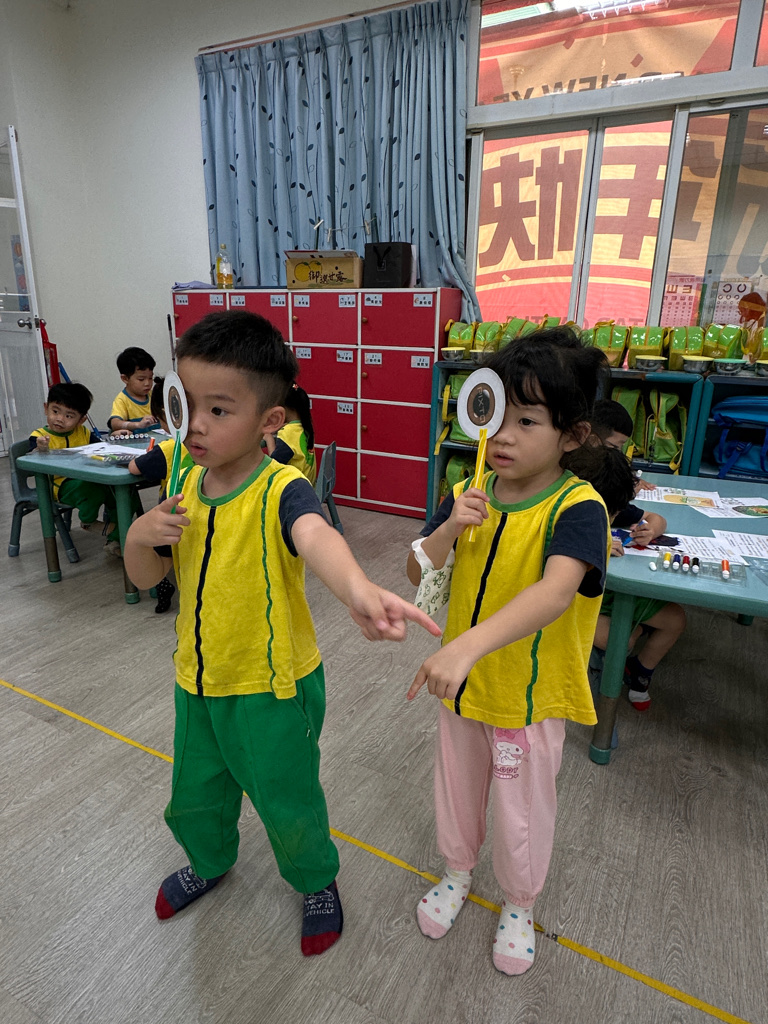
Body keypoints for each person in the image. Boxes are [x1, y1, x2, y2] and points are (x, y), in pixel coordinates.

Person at [124, 310, 441, 957]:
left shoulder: (281, 488)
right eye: (188, 403)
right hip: (197, 680)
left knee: (286, 798)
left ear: (270, 420)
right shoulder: (183, 480)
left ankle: (316, 879)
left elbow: (316, 534)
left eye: (219, 410)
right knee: (195, 793)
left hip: (272, 686)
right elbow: (149, 575)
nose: (197, 424)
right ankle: (210, 861)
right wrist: (137, 536)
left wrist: (357, 588)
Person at [405, 327, 611, 976]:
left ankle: (520, 903)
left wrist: (465, 646)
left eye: (527, 421)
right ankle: (457, 871)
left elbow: (556, 593)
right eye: (496, 415)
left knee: (522, 810)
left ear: (572, 436)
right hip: (462, 689)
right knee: (456, 789)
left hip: (526, 697)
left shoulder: (579, 507)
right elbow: (419, 573)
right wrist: (448, 528)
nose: (504, 436)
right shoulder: (472, 490)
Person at [589, 399, 686, 711]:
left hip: (610, 592)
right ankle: (632, 635)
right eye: (615, 446)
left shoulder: (609, 489)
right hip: (579, 598)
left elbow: (654, 517)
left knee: (675, 619)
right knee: (623, 639)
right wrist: (594, 545)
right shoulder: (576, 497)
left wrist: (650, 529)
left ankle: (639, 672)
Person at [30, 382, 121, 554]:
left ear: (81, 420)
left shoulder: (84, 432)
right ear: (46, 408)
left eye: (69, 416)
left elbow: (101, 448)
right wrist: (40, 448)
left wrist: (113, 438)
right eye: (55, 411)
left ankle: (117, 538)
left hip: (88, 477)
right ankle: (88, 521)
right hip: (60, 486)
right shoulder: (39, 436)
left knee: (117, 490)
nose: (60, 419)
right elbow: (30, 459)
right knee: (90, 490)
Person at [128, 376, 191, 613]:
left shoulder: (169, 447)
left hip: (172, 515)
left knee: (161, 548)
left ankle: (163, 586)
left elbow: (134, 468)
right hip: (184, 519)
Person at [264, 382, 316, 485]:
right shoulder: (304, 427)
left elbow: (274, 465)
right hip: (306, 482)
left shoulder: (288, 433)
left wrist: (269, 439)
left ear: (284, 408)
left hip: (293, 486)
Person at [108, 347, 157, 433]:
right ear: (125, 379)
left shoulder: (153, 395)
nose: (147, 383)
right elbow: (115, 423)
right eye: (141, 379)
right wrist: (138, 425)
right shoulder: (122, 400)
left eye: (150, 378)